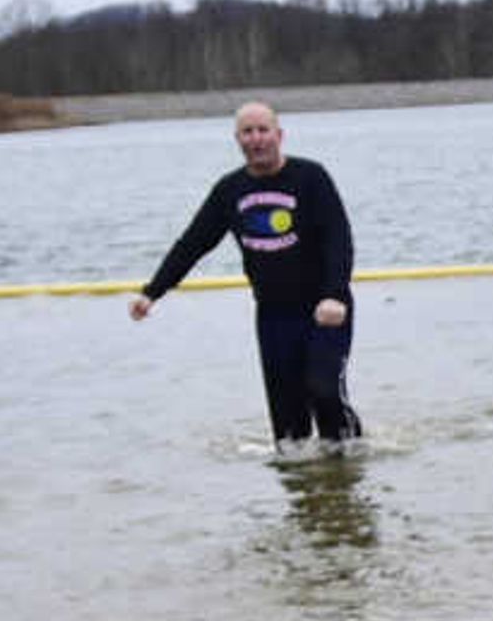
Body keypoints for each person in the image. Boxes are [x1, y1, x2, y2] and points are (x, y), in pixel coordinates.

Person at [127, 101, 362, 447]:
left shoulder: (311, 177)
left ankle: (348, 466)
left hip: (324, 310)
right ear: (237, 139)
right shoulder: (230, 190)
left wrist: (334, 293)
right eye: (248, 132)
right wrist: (152, 292)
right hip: (273, 315)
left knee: (323, 390)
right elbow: (193, 243)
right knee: (288, 426)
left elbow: (338, 240)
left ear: (279, 135)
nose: (257, 139)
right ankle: (301, 490)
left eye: (263, 130)